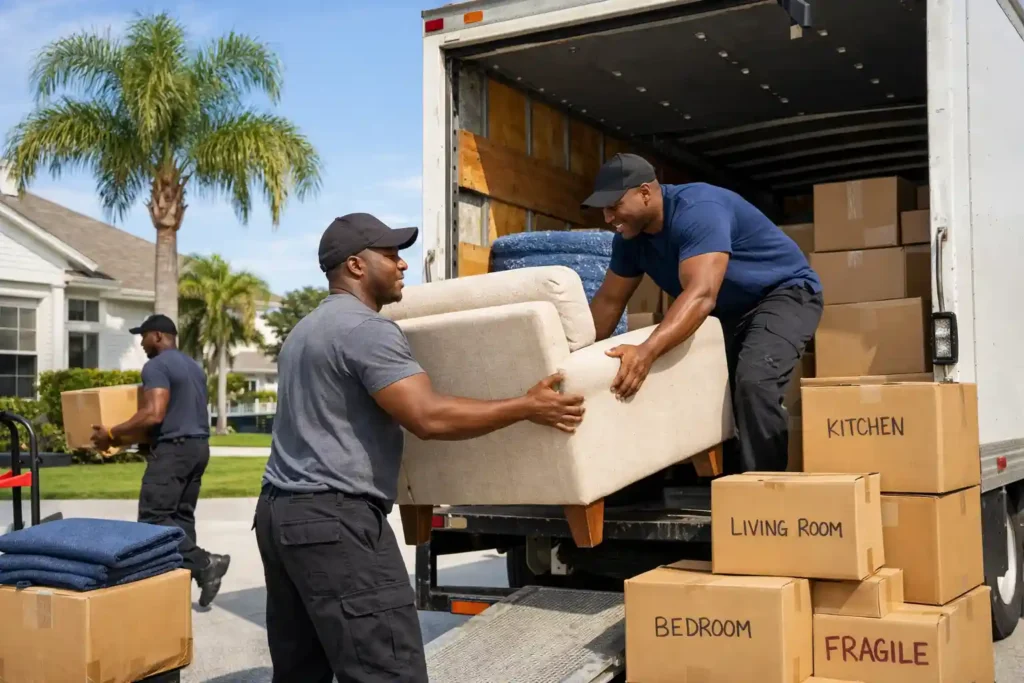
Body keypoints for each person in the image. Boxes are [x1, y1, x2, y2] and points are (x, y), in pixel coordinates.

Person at [254, 212, 586, 683]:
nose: (402, 264)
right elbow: (427, 417)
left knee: (302, 670)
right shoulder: (366, 330)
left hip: (279, 516)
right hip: (334, 522)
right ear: (355, 266)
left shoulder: (305, 331)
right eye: (389, 255)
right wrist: (526, 405)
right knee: (389, 671)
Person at [583, 153, 823, 474]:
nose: (608, 217)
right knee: (701, 389)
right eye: (603, 209)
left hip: (783, 294)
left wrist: (646, 352)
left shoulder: (698, 210)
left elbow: (701, 295)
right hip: (728, 311)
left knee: (754, 383)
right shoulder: (629, 240)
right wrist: (569, 355)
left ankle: (766, 497)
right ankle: (718, 485)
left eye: (614, 206)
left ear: (644, 193)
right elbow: (609, 303)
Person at [91, 314, 231, 607]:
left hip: (175, 451)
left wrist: (112, 433)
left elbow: (154, 412)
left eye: (142, 336)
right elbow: (175, 413)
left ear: (157, 336)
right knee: (180, 518)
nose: (141, 343)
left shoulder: (156, 365)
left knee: (154, 518)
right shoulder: (193, 366)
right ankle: (180, 588)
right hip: (198, 448)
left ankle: (206, 564)